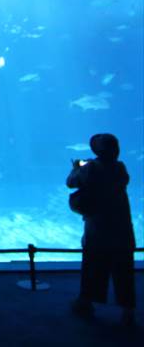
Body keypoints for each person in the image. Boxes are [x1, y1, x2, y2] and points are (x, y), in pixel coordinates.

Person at [67, 133, 136, 326]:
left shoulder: (90, 168)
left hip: (98, 226)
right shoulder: (120, 167)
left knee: (93, 264)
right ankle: (128, 311)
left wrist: (76, 168)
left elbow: (70, 182)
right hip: (122, 227)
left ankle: (86, 302)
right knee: (124, 269)